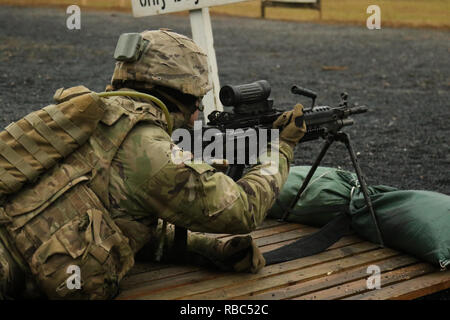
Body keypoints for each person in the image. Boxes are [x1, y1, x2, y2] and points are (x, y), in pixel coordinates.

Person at [0, 29, 306, 299]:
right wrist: (280, 148)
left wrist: (209, 249)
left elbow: (116, 222)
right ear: (180, 95)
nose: (196, 114)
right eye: (196, 102)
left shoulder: (85, 114)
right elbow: (244, 210)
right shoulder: (152, 152)